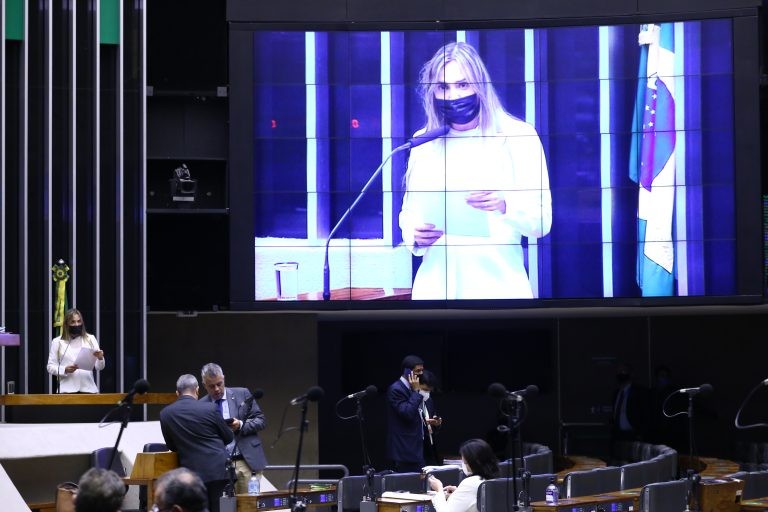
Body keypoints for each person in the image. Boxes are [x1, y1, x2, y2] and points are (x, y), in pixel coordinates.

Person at [399, 41, 552, 300]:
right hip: (436, 290)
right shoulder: (424, 140)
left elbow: (541, 221)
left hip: (499, 288)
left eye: (463, 84)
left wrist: (505, 204)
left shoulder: (518, 136)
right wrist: (414, 234)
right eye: (443, 87)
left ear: (480, 85)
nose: (453, 96)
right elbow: (409, 212)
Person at [160, 374, 234, 512]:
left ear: (177, 393)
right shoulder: (210, 408)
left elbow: (172, 446)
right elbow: (228, 437)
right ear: (197, 390)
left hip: (192, 476)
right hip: (219, 472)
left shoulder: (165, 414)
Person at [199, 362, 268, 495]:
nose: (217, 389)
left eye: (219, 384)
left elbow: (261, 420)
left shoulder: (242, 393)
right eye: (211, 386)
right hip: (219, 467)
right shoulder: (201, 405)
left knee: (248, 505)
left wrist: (240, 425)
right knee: (224, 505)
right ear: (204, 385)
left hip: (246, 462)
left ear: (223, 378)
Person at [428, 438, 499, 512]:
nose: (464, 465)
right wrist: (458, 492)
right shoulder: (495, 479)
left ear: (473, 462)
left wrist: (439, 490)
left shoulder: (470, 483)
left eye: (465, 462)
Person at [46, 308, 105, 393]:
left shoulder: (90, 339)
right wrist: (64, 369)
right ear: (67, 324)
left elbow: (99, 367)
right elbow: (50, 367)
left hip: (88, 390)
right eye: (73, 322)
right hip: (67, 391)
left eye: (79, 321)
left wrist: (100, 358)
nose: (76, 324)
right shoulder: (57, 342)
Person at [386, 355, 428, 472]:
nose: (421, 374)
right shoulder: (396, 389)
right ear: (407, 371)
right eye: (417, 371)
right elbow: (407, 413)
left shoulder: (412, 388)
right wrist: (416, 392)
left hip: (416, 448)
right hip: (404, 449)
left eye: (422, 370)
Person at [419, 370, 443, 466]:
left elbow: (433, 416)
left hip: (430, 444)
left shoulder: (429, 400)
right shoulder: (410, 400)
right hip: (416, 447)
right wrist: (422, 422)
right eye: (425, 390)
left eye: (429, 390)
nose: (427, 393)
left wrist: (437, 423)